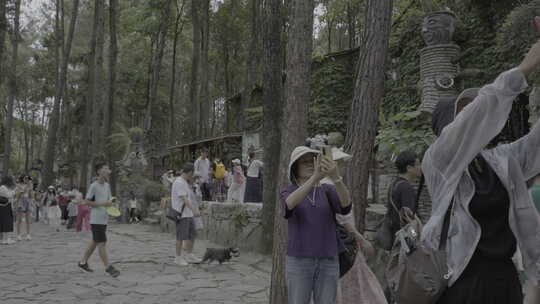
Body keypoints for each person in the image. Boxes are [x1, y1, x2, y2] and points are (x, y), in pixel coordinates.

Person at [423, 40, 540, 304]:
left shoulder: (500, 160)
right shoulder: (438, 163)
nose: (475, 117)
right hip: (463, 281)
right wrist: (524, 68)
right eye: (463, 112)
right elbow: (478, 116)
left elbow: (536, 144)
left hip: (505, 278)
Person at [281, 146, 352, 304]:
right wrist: (314, 178)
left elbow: (346, 206)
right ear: (295, 168)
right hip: (299, 261)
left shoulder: (328, 190)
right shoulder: (289, 191)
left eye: (312, 160)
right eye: (304, 162)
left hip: (328, 260)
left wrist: (336, 178)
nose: (309, 164)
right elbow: (289, 204)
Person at [320, 147, 386, 304]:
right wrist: (361, 239)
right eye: (340, 163)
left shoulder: (330, 185)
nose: (343, 167)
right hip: (341, 245)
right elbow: (342, 220)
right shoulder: (328, 187)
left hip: (342, 244)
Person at [78, 163, 120, 277]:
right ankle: (108, 267)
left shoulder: (107, 185)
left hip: (104, 218)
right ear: (99, 171)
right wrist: (103, 204)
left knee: (95, 242)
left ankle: (83, 262)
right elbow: (86, 201)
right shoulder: (94, 186)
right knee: (102, 243)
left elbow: (109, 200)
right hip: (96, 219)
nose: (108, 171)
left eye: (108, 168)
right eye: (105, 168)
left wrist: (112, 204)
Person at [171, 162, 202, 266]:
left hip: (188, 214)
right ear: (189, 172)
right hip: (182, 214)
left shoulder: (184, 182)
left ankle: (189, 255)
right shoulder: (179, 182)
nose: (192, 176)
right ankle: (178, 257)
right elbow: (184, 199)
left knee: (192, 234)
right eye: (192, 174)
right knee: (181, 236)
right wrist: (194, 210)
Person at [15, 175, 34, 241]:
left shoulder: (30, 186)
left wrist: (31, 189)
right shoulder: (18, 185)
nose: (26, 179)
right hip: (20, 202)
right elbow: (17, 196)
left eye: (27, 178)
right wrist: (23, 190)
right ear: (22, 178)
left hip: (27, 202)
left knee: (28, 219)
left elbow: (32, 196)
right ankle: (18, 235)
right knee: (19, 219)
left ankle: (28, 235)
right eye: (25, 178)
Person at [0, 176, 16, 245]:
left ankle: (7, 238)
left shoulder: (7, 188)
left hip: (8, 206)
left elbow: (11, 198)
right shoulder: (2, 187)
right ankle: (4, 239)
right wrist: (14, 191)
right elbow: (8, 195)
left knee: (9, 223)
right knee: (5, 222)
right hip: (3, 207)